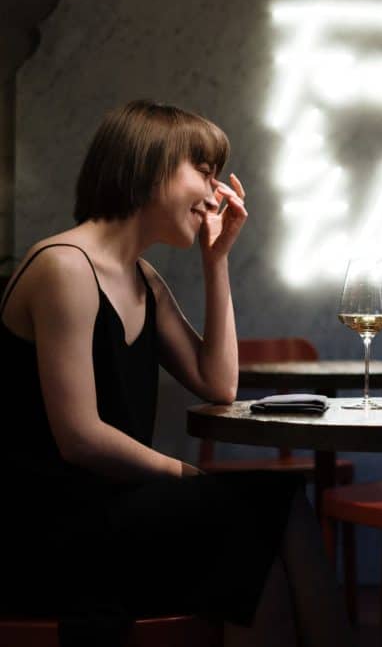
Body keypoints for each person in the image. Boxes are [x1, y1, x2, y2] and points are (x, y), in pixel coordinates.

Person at [0, 101, 353, 647]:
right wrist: (187, 475)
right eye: (205, 172)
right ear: (150, 165)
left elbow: (220, 384)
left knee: (281, 508)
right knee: (259, 522)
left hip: (119, 507)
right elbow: (80, 438)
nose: (216, 194)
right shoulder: (64, 266)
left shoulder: (143, 279)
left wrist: (217, 262)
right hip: (52, 528)